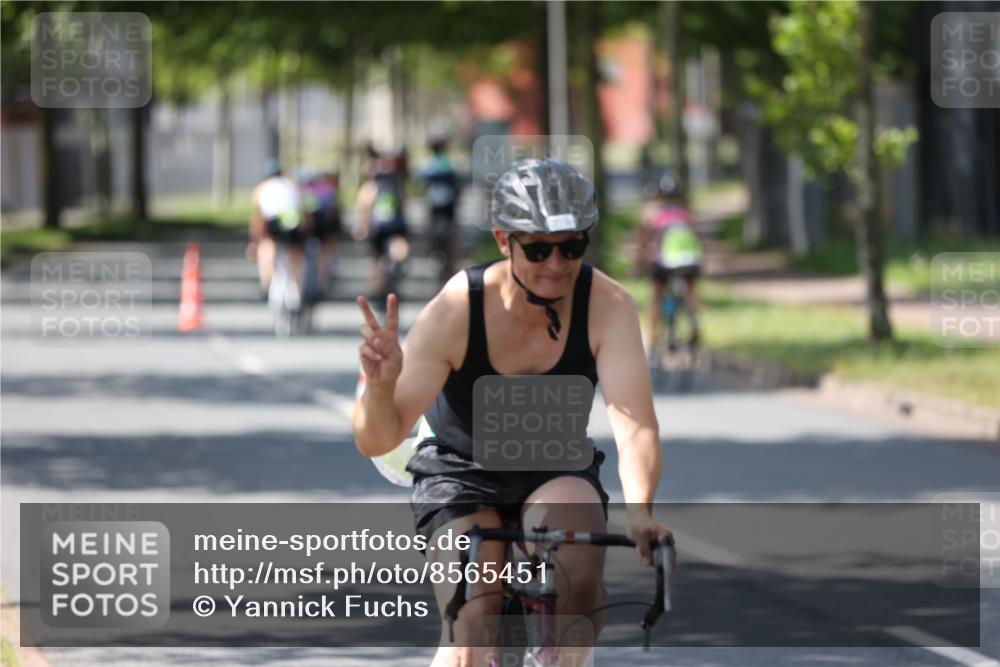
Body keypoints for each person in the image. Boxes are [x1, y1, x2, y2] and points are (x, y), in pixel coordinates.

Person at [353, 158, 672, 666]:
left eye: (572, 248)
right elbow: (378, 438)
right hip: (461, 473)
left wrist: (641, 512)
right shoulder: (459, 307)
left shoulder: (607, 304)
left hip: (553, 467)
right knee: (473, 629)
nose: (556, 264)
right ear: (504, 240)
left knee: (581, 570)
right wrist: (380, 385)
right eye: (538, 248)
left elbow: (635, 428)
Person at [637, 172, 703, 351]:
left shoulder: (649, 211)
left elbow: (644, 246)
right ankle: (696, 322)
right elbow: (696, 239)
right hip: (692, 259)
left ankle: (652, 337)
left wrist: (640, 264)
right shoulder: (685, 212)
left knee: (656, 296)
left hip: (666, 261)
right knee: (691, 291)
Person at [353, 153, 410, 309]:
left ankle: (378, 293)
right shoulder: (396, 185)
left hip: (377, 229)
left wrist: (362, 226)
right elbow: (403, 206)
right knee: (398, 247)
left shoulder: (371, 187)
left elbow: (363, 207)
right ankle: (397, 264)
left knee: (376, 260)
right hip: (396, 226)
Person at [247, 159, 308, 295]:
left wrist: (254, 242)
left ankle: (267, 283)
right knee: (295, 255)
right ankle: (298, 290)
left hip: (274, 221)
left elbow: (257, 217)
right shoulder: (292, 185)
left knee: (266, 246)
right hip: (293, 221)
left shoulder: (261, 188)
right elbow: (303, 211)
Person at [419, 137, 461, 280]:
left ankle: (434, 254)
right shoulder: (448, 163)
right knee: (451, 232)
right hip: (449, 204)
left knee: (431, 229)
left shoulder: (429, 164)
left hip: (434, 204)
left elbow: (421, 181)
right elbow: (457, 182)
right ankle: (450, 258)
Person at [300, 169, 342, 294]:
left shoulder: (302, 190)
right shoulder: (327, 189)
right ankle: (323, 279)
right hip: (324, 225)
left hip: (310, 225)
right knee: (324, 252)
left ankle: (315, 280)